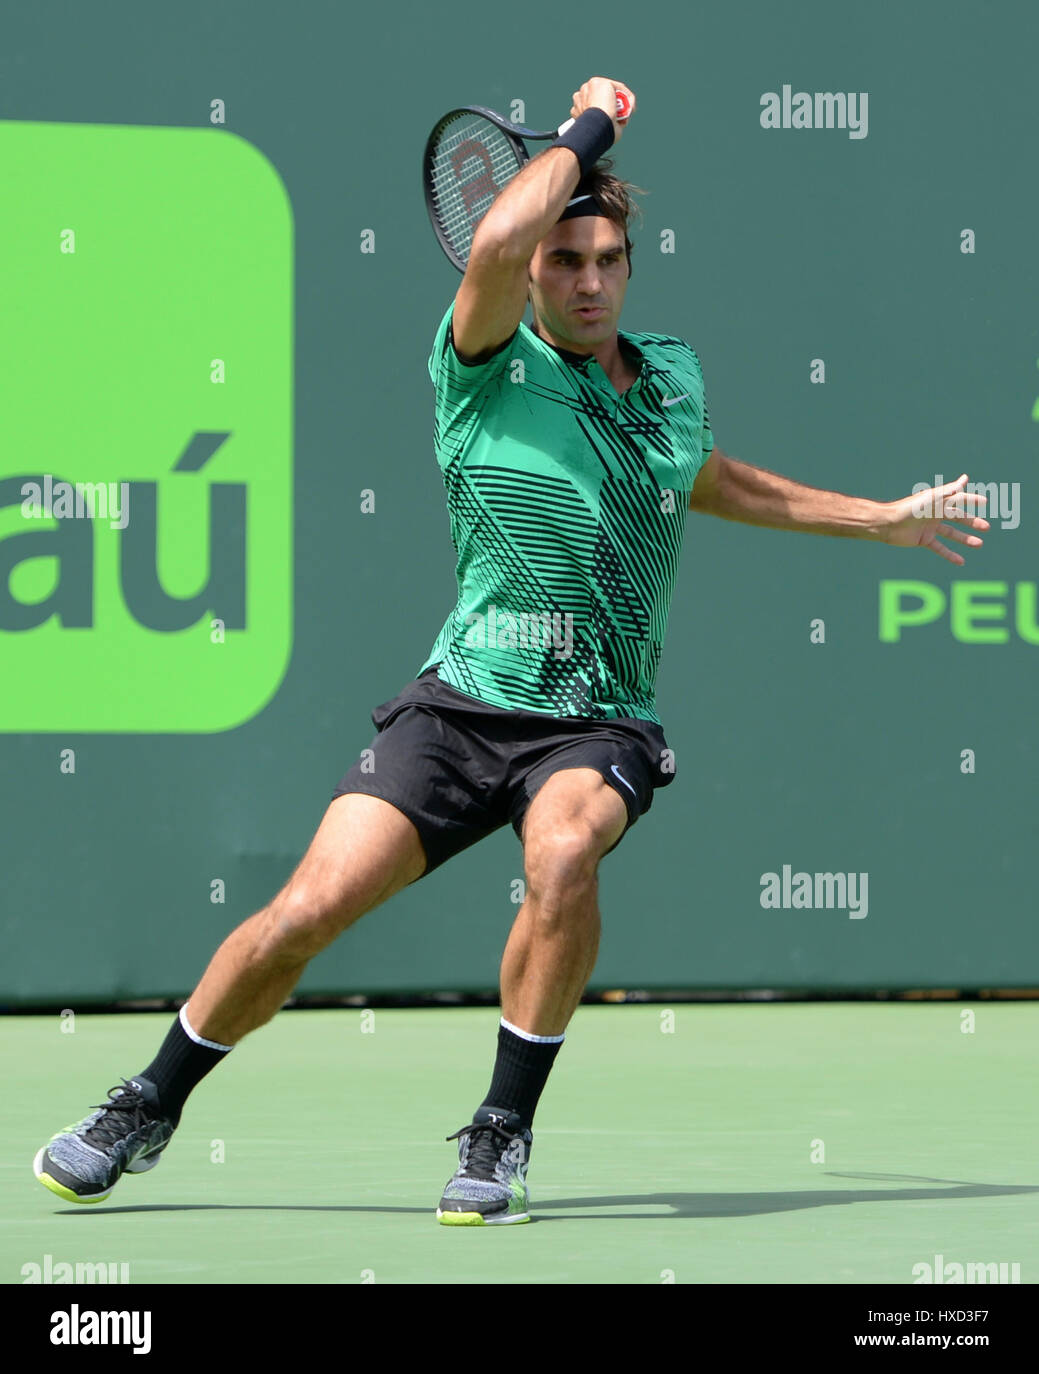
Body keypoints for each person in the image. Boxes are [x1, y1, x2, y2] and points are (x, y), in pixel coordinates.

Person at [33, 76, 989, 1227]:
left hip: (599, 718)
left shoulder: (671, 373)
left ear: (630, 267)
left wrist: (875, 518)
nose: (586, 282)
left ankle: (499, 1129)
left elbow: (704, 477)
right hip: (459, 706)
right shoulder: (480, 359)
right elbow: (491, 236)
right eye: (563, 260)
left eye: (606, 261)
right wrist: (591, 128)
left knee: (567, 853)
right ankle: (148, 1101)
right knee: (302, 916)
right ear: (531, 269)